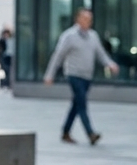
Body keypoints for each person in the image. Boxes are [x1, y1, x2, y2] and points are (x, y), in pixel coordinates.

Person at [43, 8, 118, 144]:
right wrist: (50, 74)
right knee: (82, 103)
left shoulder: (93, 36)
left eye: (89, 20)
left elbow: (100, 54)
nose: (87, 22)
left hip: (87, 76)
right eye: (85, 19)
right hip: (74, 74)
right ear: (77, 19)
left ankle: (65, 131)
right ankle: (90, 133)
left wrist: (110, 64)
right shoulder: (69, 36)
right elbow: (58, 56)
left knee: (76, 104)